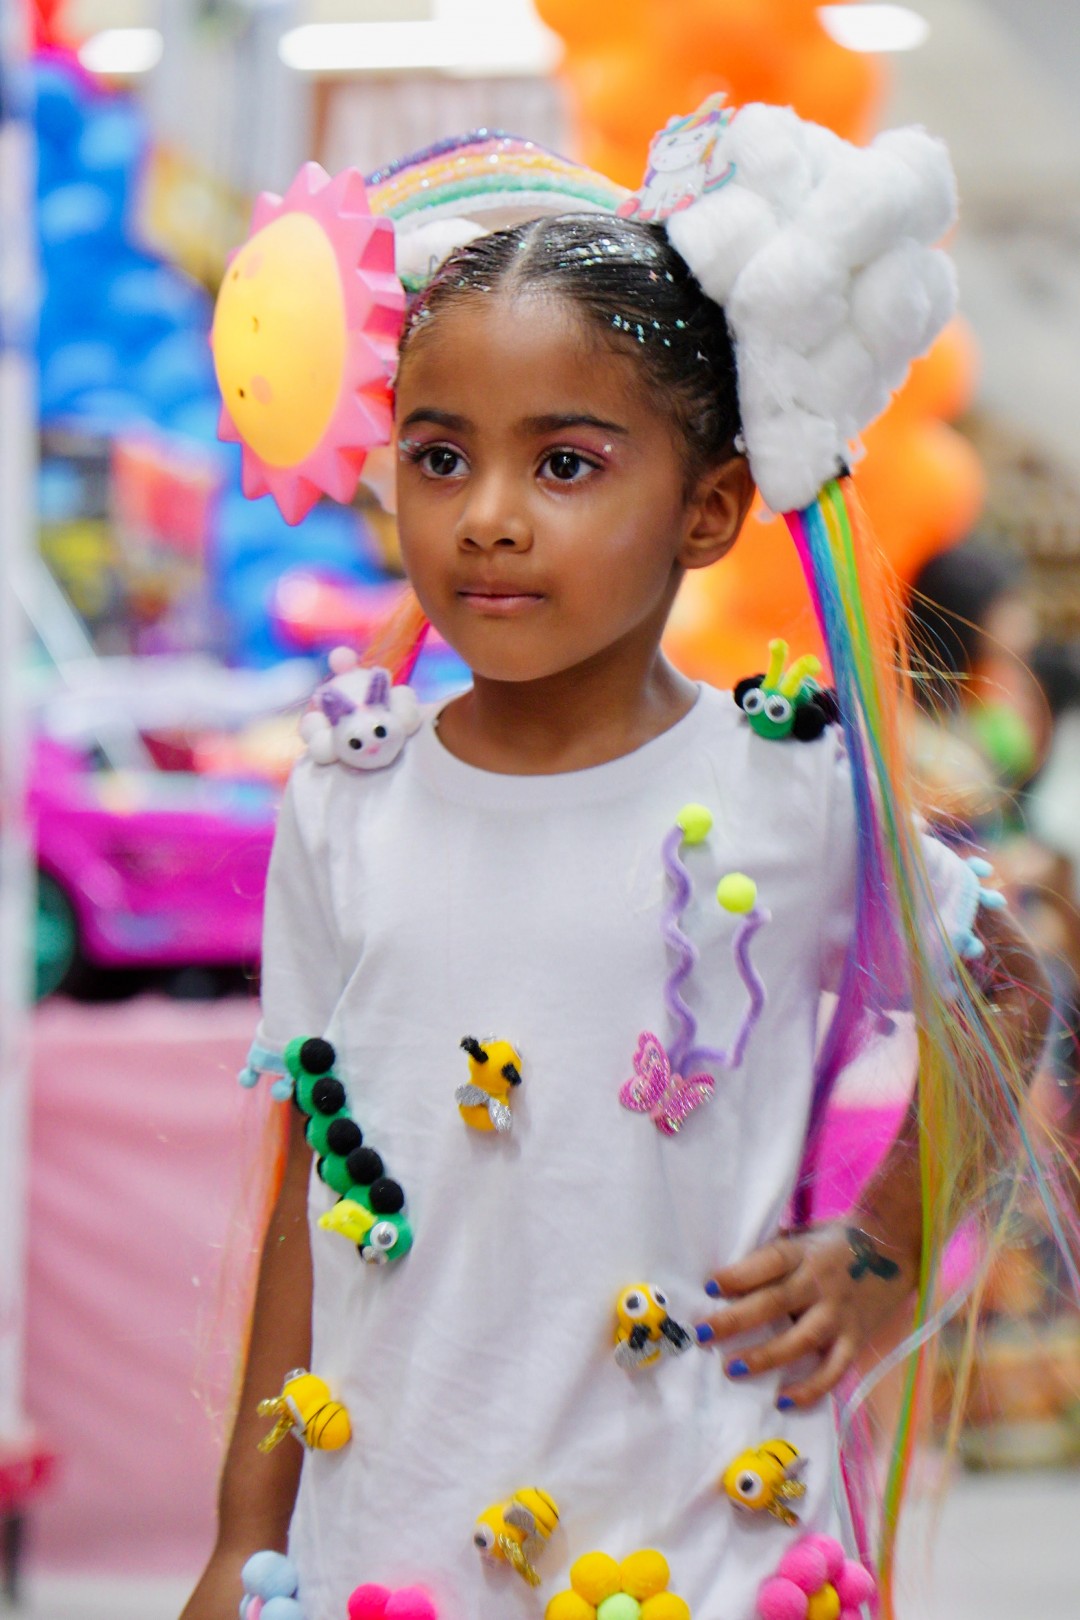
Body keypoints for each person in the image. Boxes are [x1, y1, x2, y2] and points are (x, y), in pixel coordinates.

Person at [181, 102, 1053, 1620]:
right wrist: (239, 1544)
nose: (489, 518)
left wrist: (885, 1249)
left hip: (695, 1539)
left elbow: (1004, 989)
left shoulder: (784, 792)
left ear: (707, 510)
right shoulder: (345, 802)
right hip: (393, 1535)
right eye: (439, 456)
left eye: (567, 465)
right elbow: (312, 1194)